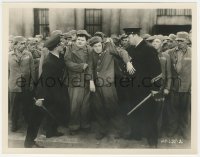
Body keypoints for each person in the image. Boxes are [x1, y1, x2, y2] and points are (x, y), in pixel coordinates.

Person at [24, 34, 69, 148]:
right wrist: (40, 97)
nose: (64, 45)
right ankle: (29, 142)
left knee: (55, 111)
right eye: (61, 44)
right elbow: (44, 80)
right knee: (37, 116)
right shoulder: (49, 62)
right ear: (56, 46)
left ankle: (51, 131)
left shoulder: (59, 56)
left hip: (56, 90)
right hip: (46, 92)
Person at [88, 36, 134, 140]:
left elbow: (123, 52)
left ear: (102, 44)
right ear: (92, 47)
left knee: (112, 107)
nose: (97, 48)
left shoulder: (109, 50)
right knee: (98, 108)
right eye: (95, 46)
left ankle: (121, 130)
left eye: (99, 45)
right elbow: (90, 67)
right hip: (96, 85)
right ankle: (102, 130)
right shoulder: (91, 54)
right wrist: (90, 81)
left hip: (108, 84)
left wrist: (128, 63)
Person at [123, 28, 162, 147]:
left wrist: (155, 88)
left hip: (146, 89)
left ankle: (152, 139)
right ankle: (136, 134)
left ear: (134, 35)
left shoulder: (149, 49)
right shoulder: (130, 49)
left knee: (149, 114)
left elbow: (156, 70)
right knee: (135, 111)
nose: (127, 40)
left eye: (128, 37)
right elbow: (123, 54)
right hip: (132, 87)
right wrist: (127, 63)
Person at [64, 30, 93, 135]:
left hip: (86, 80)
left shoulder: (89, 50)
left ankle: (85, 125)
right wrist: (80, 66)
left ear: (86, 41)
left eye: (83, 40)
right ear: (76, 40)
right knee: (75, 104)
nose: (80, 42)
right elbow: (67, 62)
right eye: (79, 39)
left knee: (86, 104)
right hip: (74, 80)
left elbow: (90, 65)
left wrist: (90, 80)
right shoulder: (70, 49)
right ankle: (74, 126)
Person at [167, 32, 191, 139]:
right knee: (173, 110)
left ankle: (185, 132)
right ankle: (172, 130)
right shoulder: (170, 52)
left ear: (187, 41)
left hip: (187, 87)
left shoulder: (194, 53)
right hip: (174, 87)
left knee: (186, 111)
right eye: (178, 40)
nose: (179, 43)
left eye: (181, 41)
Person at [9, 36, 35, 132]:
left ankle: (28, 121)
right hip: (14, 85)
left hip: (26, 84)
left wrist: (32, 82)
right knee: (14, 106)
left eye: (24, 43)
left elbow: (32, 70)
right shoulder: (8, 55)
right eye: (21, 43)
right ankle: (14, 123)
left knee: (27, 104)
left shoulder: (28, 54)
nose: (24, 45)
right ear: (15, 45)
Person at [152, 35, 172, 136]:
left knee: (159, 111)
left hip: (161, 87)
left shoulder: (166, 56)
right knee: (149, 110)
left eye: (157, 42)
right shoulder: (148, 55)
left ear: (161, 44)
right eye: (153, 42)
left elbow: (169, 74)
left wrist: (167, 88)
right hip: (150, 87)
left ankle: (157, 133)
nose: (154, 43)